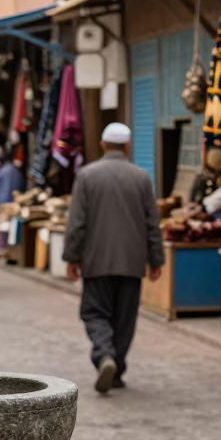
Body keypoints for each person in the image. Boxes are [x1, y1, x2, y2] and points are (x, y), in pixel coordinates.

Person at [63, 123, 164, 395]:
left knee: (94, 312)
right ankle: (116, 369)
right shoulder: (142, 177)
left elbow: (77, 222)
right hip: (132, 263)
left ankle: (104, 355)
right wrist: (156, 259)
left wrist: (71, 256)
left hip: (97, 261)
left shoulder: (87, 175)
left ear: (102, 144)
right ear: (128, 146)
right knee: (124, 318)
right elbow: (152, 223)